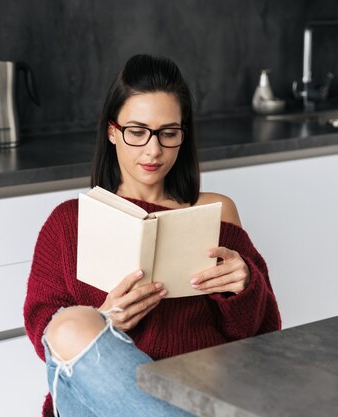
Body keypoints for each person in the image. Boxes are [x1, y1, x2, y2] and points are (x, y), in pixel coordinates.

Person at [23, 54, 281, 417]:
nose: (153, 149)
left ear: (183, 135)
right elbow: (46, 335)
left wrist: (244, 285)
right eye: (137, 131)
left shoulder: (216, 212)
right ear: (112, 132)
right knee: (70, 325)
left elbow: (263, 334)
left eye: (168, 133)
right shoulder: (69, 221)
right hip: (102, 398)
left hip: (199, 390)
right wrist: (105, 320)